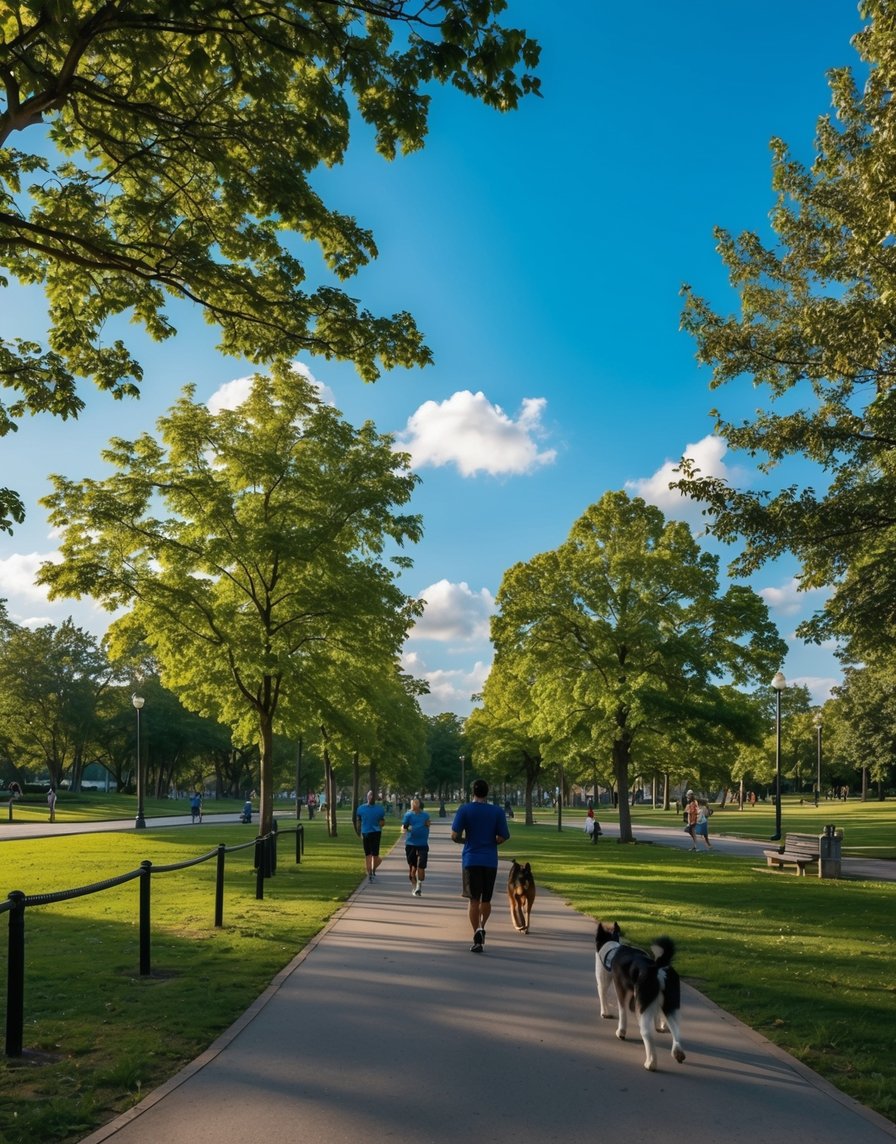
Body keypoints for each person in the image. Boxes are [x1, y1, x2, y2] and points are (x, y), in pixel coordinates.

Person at [450, 778, 510, 953]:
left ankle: (476, 933)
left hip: (471, 859)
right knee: (486, 899)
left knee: (473, 900)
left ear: (473, 792)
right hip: (490, 859)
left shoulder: (465, 810)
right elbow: (502, 836)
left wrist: (465, 840)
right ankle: (483, 925)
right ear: (487, 792)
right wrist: (491, 842)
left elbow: (454, 835)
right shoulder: (496, 812)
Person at [401, 796, 431, 896]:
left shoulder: (425, 815)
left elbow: (428, 824)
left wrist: (427, 824)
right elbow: (404, 827)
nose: (414, 805)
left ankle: (419, 885)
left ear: (419, 804)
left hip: (422, 844)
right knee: (412, 869)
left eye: (416, 803)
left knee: (421, 866)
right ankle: (414, 886)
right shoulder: (408, 815)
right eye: (413, 803)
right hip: (410, 844)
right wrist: (405, 829)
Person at [356, 790, 385, 882]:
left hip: (376, 833)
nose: (371, 797)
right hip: (366, 833)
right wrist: (359, 831)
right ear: (367, 797)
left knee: (375, 856)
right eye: (369, 795)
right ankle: (370, 873)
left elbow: (382, 822)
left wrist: (381, 823)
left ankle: (372, 871)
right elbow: (358, 821)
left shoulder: (380, 809)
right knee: (368, 854)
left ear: (375, 798)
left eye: (373, 795)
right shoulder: (361, 808)